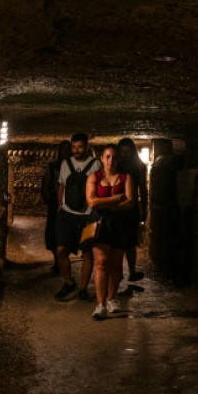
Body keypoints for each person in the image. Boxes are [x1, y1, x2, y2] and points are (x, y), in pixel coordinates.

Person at [86, 144, 135, 319]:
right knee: (101, 262)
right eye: (107, 157)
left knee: (116, 266)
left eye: (114, 157)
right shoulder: (93, 177)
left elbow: (130, 202)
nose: (110, 160)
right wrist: (117, 198)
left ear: (118, 159)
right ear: (102, 158)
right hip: (100, 225)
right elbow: (92, 202)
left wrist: (106, 203)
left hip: (120, 225)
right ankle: (100, 305)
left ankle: (111, 299)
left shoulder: (126, 177)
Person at [53, 133, 101, 302]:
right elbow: (61, 186)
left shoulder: (96, 164)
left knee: (87, 253)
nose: (76, 150)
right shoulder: (66, 164)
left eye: (80, 147)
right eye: (73, 147)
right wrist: (60, 206)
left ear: (87, 147)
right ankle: (68, 282)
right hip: (67, 214)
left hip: (87, 216)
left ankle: (83, 289)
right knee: (61, 250)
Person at [117, 138, 148, 282]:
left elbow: (143, 188)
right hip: (116, 206)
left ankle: (132, 271)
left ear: (133, 152)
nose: (125, 155)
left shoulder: (139, 166)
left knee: (130, 241)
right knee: (117, 242)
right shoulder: (115, 165)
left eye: (127, 152)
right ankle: (117, 273)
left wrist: (144, 208)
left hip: (131, 208)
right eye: (122, 152)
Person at [40, 140, 71, 274]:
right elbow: (45, 185)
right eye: (63, 149)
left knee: (67, 234)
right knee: (53, 233)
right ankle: (58, 261)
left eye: (68, 149)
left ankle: (62, 260)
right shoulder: (52, 167)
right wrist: (49, 201)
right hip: (54, 204)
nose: (65, 152)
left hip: (70, 204)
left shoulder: (75, 167)